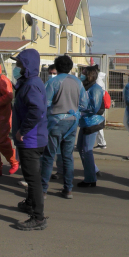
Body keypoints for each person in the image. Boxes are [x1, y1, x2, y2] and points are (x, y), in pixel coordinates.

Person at [40, 55, 88, 199]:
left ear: (56, 66)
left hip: (55, 122)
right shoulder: (78, 82)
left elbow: (45, 103)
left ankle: (43, 190)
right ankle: (68, 189)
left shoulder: (53, 82)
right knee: (67, 157)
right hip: (72, 122)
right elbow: (84, 104)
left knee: (49, 156)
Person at [12, 49, 48, 231]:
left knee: (33, 179)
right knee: (31, 175)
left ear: (27, 66)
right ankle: (30, 203)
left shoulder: (32, 84)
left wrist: (22, 131)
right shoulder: (29, 82)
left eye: (19, 64)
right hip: (33, 138)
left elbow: (37, 110)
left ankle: (38, 217)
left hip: (30, 139)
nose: (16, 68)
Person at [76, 66, 105, 187]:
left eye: (83, 73)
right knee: (81, 148)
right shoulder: (85, 87)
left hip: (92, 122)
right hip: (86, 121)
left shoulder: (95, 89)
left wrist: (79, 108)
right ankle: (92, 172)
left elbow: (94, 108)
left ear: (89, 75)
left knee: (86, 150)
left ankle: (90, 178)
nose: (81, 75)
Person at [94, 65, 107, 149]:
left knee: (97, 125)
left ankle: (102, 143)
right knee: (97, 125)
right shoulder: (98, 80)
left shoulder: (98, 81)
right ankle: (101, 143)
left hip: (98, 105)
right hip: (99, 105)